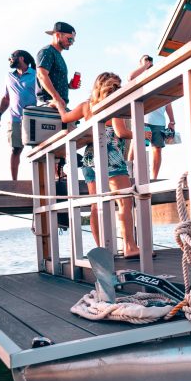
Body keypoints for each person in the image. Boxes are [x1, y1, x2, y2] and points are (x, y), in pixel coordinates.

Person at [57, 72, 139, 258]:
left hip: (89, 159)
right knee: (124, 201)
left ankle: (102, 250)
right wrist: (141, 133)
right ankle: (130, 247)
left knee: (96, 204)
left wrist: (59, 105)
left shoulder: (87, 106)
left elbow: (65, 118)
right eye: (116, 85)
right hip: (110, 155)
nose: (118, 89)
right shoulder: (112, 104)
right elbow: (121, 132)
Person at [128, 54, 175, 179]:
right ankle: (129, 173)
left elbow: (168, 101)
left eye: (150, 61)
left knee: (157, 149)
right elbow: (130, 77)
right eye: (145, 60)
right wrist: (144, 66)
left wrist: (172, 121)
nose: (148, 62)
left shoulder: (158, 77)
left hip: (159, 121)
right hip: (142, 119)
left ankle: (154, 178)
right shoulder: (139, 78)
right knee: (136, 145)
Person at [0, 49, 37, 179]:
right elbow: (6, 98)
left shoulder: (36, 74)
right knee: (15, 149)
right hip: (15, 119)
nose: (9, 59)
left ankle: (45, 178)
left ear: (22, 58)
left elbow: (49, 89)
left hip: (33, 118)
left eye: (12, 56)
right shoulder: (9, 76)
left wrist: (68, 86)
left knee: (39, 149)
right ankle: (14, 181)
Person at [36, 22, 75, 112]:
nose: (71, 43)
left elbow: (53, 79)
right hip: (49, 104)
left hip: (58, 105)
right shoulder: (47, 51)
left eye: (73, 41)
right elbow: (41, 75)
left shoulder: (57, 54)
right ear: (57, 35)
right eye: (70, 39)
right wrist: (56, 97)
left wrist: (69, 86)